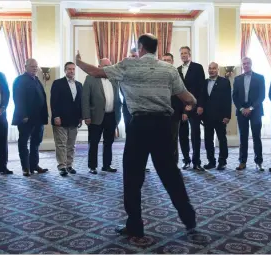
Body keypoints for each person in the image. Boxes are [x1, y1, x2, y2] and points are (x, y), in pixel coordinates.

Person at [75, 33, 197, 238]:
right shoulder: (168, 69)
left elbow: (95, 71)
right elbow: (187, 97)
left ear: (140, 48)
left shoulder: (128, 65)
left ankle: (135, 224)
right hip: (162, 127)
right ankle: (189, 218)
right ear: (156, 49)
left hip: (139, 126)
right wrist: (192, 102)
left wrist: (78, 62)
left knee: (132, 177)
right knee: (171, 175)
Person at [82, 58, 121, 174]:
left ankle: (107, 165)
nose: (108, 68)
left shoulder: (114, 79)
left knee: (108, 142)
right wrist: (86, 116)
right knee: (94, 142)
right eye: (105, 66)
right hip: (95, 116)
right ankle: (92, 166)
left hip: (111, 116)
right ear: (99, 67)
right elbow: (85, 99)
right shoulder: (90, 78)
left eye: (109, 66)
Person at [12, 59, 49, 176]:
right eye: (32, 66)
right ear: (25, 67)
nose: (35, 68)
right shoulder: (19, 80)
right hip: (26, 118)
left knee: (36, 142)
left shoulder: (36, 79)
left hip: (38, 118)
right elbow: (18, 99)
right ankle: (25, 167)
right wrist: (23, 115)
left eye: (36, 66)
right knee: (23, 142)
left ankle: (34, 165)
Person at [232, 57, 265, 171]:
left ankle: (259, 161)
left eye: (248, 63)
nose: (246, 65)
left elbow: (262, 96)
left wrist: (250, 108)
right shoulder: (237, 79)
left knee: (257, 137)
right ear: (242, 65)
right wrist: (242, 109)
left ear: (251, 64)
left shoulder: (260, 78)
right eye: (244, 63)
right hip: (241, 112)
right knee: (243, 137)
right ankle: (242, 162)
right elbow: (234, 96)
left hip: (255, 111)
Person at [50, 62, 82, 177]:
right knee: (61, 144)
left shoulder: (79, 85)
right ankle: (62, 166)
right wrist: (56, 116)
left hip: (74, 119)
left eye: (73, 69)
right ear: (65, 70)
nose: (71, 71)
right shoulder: (58, 83)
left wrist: (80, 118)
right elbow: (54, 101)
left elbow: (79, 103)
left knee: (71, 144)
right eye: (69, 69)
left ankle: (69, 165)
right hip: (60, 119)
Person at [177, 46, 206, 171]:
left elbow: (202, 88)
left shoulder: (198, 67)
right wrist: (183, 108)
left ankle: (196, 161)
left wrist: (199, 105)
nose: (183, 55)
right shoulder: (177, 70)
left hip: (194, 108)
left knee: (195, 135)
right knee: (182, 135)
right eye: (182, 53)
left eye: (185, 53)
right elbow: (177, 91)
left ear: (190, 54)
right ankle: (186, 160)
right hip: (181, 109)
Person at [200, 62, 231, 170]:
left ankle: (222, 161)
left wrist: (227, 116)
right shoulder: (204, 82)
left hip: (221, 117)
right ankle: (211, 161)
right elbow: (202, 99)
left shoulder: (224, 82)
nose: (211, 70)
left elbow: (228, 100)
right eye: (210, 68)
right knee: (208, 140)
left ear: (217, 70)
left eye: (214, 68)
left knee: (222, 139)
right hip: (207, 117)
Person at [162, 52, 183, 164]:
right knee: (162, 141)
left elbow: (182, 94)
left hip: (174, 113)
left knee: (174, 140)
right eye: (164, 60)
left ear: (172, 62)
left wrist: (183, 111)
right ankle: (164, 164)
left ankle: (174, 164)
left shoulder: (178, 74)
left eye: (168, 60)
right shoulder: (157, 75)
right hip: (160, 113)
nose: (166, 62)